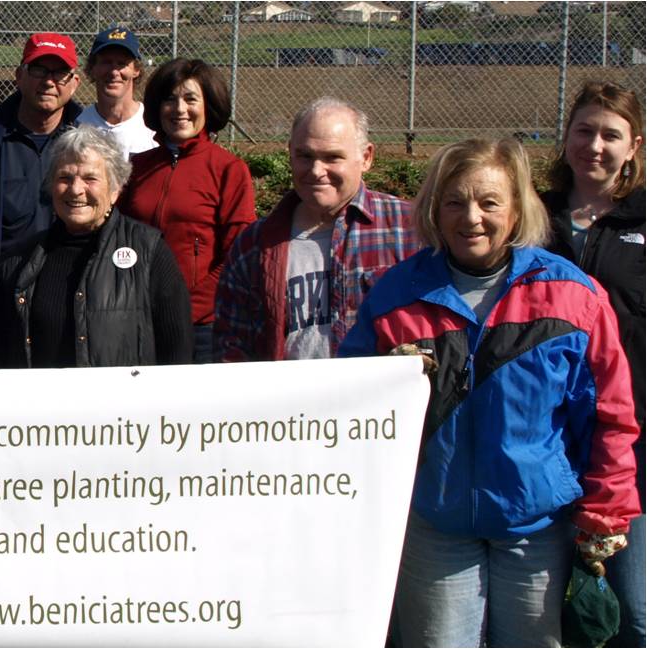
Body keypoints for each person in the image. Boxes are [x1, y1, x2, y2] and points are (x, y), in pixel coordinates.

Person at [341, 137, 640, 647]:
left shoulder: (574, 297)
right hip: (436, 524)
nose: (471, 217)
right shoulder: (396, 295)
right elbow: (348, 402)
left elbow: (611, 414)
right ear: (435, 209)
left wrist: (607, 509)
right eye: (454, 201)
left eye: (489, 202)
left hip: (537, 529)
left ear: (519, 208)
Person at [541, 80, 645, 647]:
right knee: (547, 610)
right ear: (567, 137)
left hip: (630, 442)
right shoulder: (533, 218)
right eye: (584, 130)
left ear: (634, 146)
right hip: (547, 435)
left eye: (611, 135)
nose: (595, 146)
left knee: (635, 614)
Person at [214, 97, 415, 362]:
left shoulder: (408, 228)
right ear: (290, 152)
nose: (316, 171)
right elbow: (232, 348)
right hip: (289, 401)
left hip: (380, 401)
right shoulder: (254, 245)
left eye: (333, 158)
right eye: (305, 156)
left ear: (366, 158)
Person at [0, 126, 190, 367]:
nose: (75, 189)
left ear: (115, 190)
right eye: (64, 178)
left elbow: (177, 352)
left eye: (90, 178)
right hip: (43, 403)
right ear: (51, 186)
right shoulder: (19, 261)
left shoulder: (149, 253)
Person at [0, 32, 83, 367]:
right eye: (39, 70)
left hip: (63, 317)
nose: (49, 81)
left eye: (59, 73)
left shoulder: (88, 142)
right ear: (19, 75)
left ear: (75, 83)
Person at [119, 58, 256, 363]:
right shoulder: (137, 168)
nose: (179, 109)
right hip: (138, 318)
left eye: (190, 98)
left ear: (209, 105)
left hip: (201, 326)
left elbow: (238, 253)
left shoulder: (229, 170)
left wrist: (185, 308)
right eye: (170, 99)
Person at [77, 26, 155, 158]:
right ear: (92, 68)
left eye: (122, 63)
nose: (114, 72)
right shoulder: (78, 124)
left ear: (136, 70)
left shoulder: (152, 125)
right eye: (106, 62)